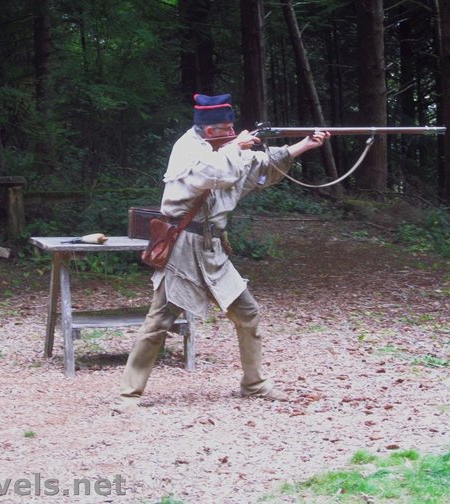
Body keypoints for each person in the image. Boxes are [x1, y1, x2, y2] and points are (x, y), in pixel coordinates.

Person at [112, 93, 329, 413]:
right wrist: (234, 147)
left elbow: (259, 167)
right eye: (224, 128)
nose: (230, 130)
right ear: (208, 129)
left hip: (211, 248)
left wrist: (305, 145)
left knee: (247, 312)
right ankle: (128, 395)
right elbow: (211, 174)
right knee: (159, 321)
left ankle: (253, 383)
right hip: (182, 245)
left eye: (231, 126)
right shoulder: (188, 149)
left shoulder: (226, 149)